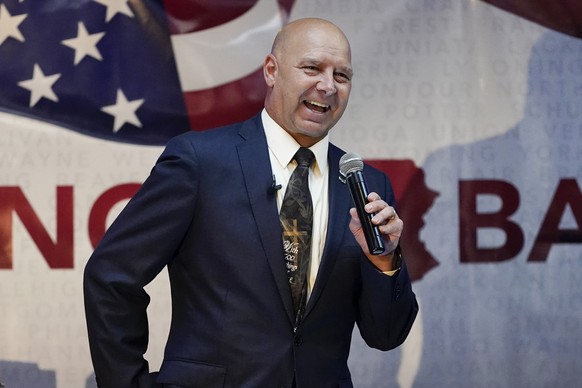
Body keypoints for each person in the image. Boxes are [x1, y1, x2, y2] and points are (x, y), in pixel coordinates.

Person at [84, 17, 418, 388]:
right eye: (312, 68)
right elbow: (111, 276)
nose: (327, 86)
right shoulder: (200, 161)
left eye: (342, 76)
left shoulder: (368, 185)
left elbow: (386, 335)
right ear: (272, 71)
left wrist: (385, 262)